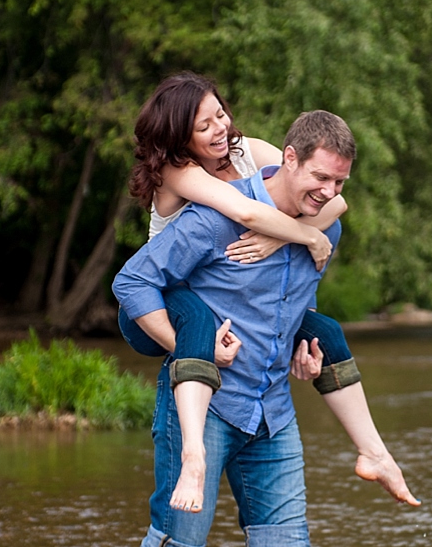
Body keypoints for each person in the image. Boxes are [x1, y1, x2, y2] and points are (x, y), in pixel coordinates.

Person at [85, 110, 419, 547]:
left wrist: (301, 355)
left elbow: (291, 308)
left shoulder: (324, 227)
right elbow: (132, 283)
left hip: (271, 412)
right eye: (320, 178)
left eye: (340, 184)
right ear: (287, 158)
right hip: (205, 404)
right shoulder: (214, 217)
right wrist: (190, 345)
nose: (329, 193)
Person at [119, 74, 365, 513]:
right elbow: (246, 211)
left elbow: (333, 201)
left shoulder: (243, 148)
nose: (220, 129)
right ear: (179, 136)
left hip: (226, 298)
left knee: (323, 330)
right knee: (198, 325)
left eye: (220, 114)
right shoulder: (179, 170)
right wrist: (306, 237)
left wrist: (282, 238)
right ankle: (193, 455)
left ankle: (374, 451)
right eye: (204, 126)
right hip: (164, 299)